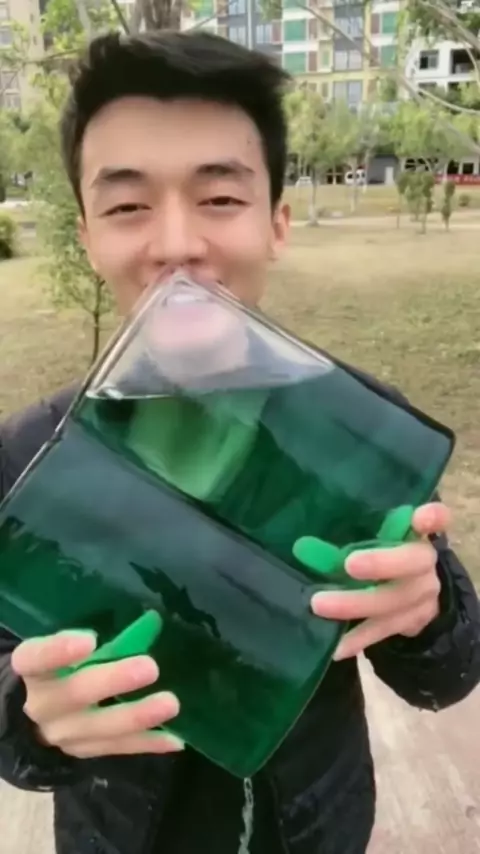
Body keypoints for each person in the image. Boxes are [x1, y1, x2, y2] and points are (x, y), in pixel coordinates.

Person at [0, 31, 479, 854]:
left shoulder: (357, 436)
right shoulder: (28, 459)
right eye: (127, 206)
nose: (176, 243)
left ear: (276, 223)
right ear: (86, 235)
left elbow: (449, 672)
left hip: (318, 832)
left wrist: (427, 610)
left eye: (219, 197)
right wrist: (30, 719)